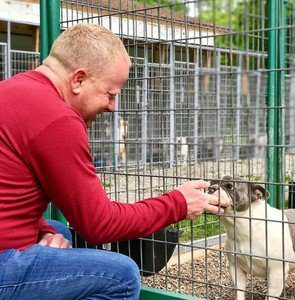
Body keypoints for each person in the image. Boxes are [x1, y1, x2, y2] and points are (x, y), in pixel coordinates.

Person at [0, 23, 230, 299]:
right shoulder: (57, 119)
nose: (112, 107)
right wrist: (178, 203)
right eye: (110, 94)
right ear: (78, 79)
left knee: (59, 230)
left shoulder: (11, 90)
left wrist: (43, 231)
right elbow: (98, 225)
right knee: (120, 275)